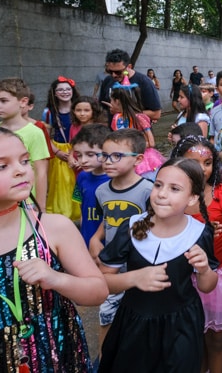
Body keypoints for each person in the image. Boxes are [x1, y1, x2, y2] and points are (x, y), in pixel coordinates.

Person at [0, 127, 108, 373]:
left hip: (57, 354)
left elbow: (98, 291)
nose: (21, 170)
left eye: (25, 160)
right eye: (0, 166)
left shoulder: (51, 228)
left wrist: (56, 278)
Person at [98, 158, 218, 372]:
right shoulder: (132, 228)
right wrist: (134, 278)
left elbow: (207, 286)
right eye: (158, 185)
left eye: (175, 189)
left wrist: (204, 270)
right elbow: (103, 281)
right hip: (134, 324)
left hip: (181, 326)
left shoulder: (199, 233)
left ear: (192, 198)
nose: (162, 194)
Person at [173, 137, 222, 373]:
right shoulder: (170, 196)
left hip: (221, 278)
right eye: (193, 162)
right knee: (191, 339)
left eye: (207, 162)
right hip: (183, 279)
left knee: (216, 340)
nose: (201, 169)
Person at [89, 129, 154, 359]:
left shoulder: (149, 191)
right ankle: (104, 359)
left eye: (117, 156)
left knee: (139, 318)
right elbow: (107, 220)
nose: (108, 162)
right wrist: (96, 239)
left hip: (140, 267)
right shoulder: (101, 191)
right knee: (107, 315)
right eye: (104, 156)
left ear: (138, 159)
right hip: (111, 268)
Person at [0, 77, 50, 208]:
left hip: (27, 201)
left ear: (23, 102)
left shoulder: (34, 133)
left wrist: (41, 207)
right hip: (2, 199)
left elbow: (41, 172)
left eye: (3, 101)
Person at [41, 76, 81, 219]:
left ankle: (80, 213)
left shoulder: (80, 108)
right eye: (60, 90)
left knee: (78, 181)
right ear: (54, 93)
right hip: (58, 151)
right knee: (60, 185)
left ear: (72, 90)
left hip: (79, 149)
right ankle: (62, 215)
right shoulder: (49, 112)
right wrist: (56, 151)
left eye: (67, 89)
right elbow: (44, 135)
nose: (64, 92)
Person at [71, 124, 112, 247]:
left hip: (110, 244)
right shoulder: (81, 177)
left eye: (90, 154)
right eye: (79, 155)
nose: (83, 160)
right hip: (87, 239)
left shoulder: (115, 180)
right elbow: (81, 207)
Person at [99, 49, 162, 122]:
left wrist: (123, 111)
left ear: (129, 66)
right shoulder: (107, 81)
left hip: (136, 131)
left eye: (118, 72)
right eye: (110, 71)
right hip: (113, 131)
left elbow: (156, 114)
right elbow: (102, 109)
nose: (114, 75)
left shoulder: (144, 82)